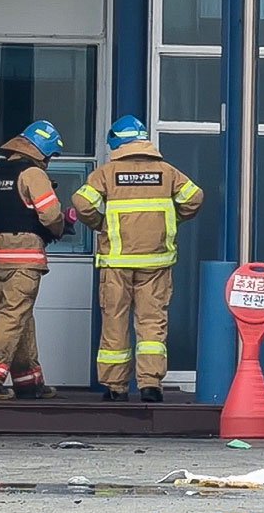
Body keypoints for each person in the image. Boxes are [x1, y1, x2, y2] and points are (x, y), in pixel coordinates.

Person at [72, 115, 203, 402]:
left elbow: (81, 203)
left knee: (114, 322)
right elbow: (194, 198)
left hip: (116, 263)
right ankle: (150, 386)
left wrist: (100, 224)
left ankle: (116, 388)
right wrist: (168, 222)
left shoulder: (106, 174)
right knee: (152, 323)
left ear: (117, 143)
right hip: (156, 263)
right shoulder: (168, 172)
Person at [0, 121, 68, 400]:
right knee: (13, 316)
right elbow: (50, 215)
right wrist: (60, 228)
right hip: (23, 255)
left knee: (19, 315)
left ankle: (28, 382)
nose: (50, 161)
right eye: (51, 156)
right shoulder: (33, 173)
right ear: (44, 150)